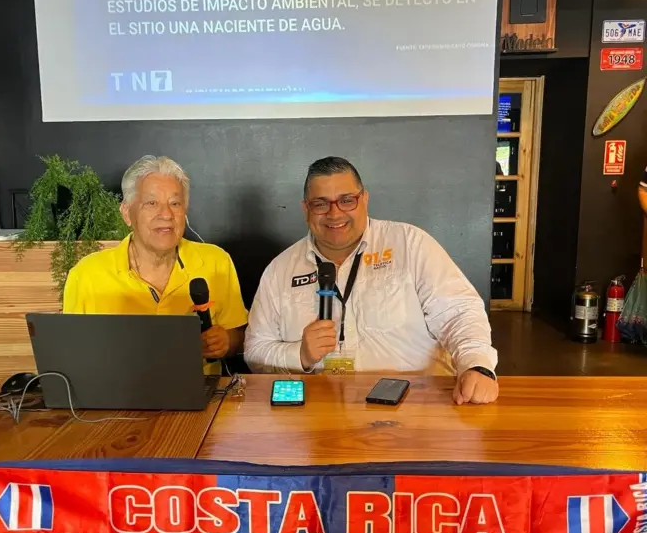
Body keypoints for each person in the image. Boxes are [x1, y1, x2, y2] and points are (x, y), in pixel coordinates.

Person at [244, 156, 499, 405]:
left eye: (346, 200)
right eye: (321, 204)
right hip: (319, 413)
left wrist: (476, 365)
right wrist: (299, 355)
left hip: (415, 407)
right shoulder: (280, 270)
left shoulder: (409, 244)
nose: (335, 213)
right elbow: (255, 350)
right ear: (305, 209)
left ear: (364, 199)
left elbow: (460, 313)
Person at [63, 155, 248, 374]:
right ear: (126, 213)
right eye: (151, 203)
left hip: (199, 395)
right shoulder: (87, 274)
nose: (166, 214)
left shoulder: (216, 261)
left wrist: (227, 341)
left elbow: (240, 336)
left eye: (175, 203)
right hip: (114, 395)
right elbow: (71, 356)